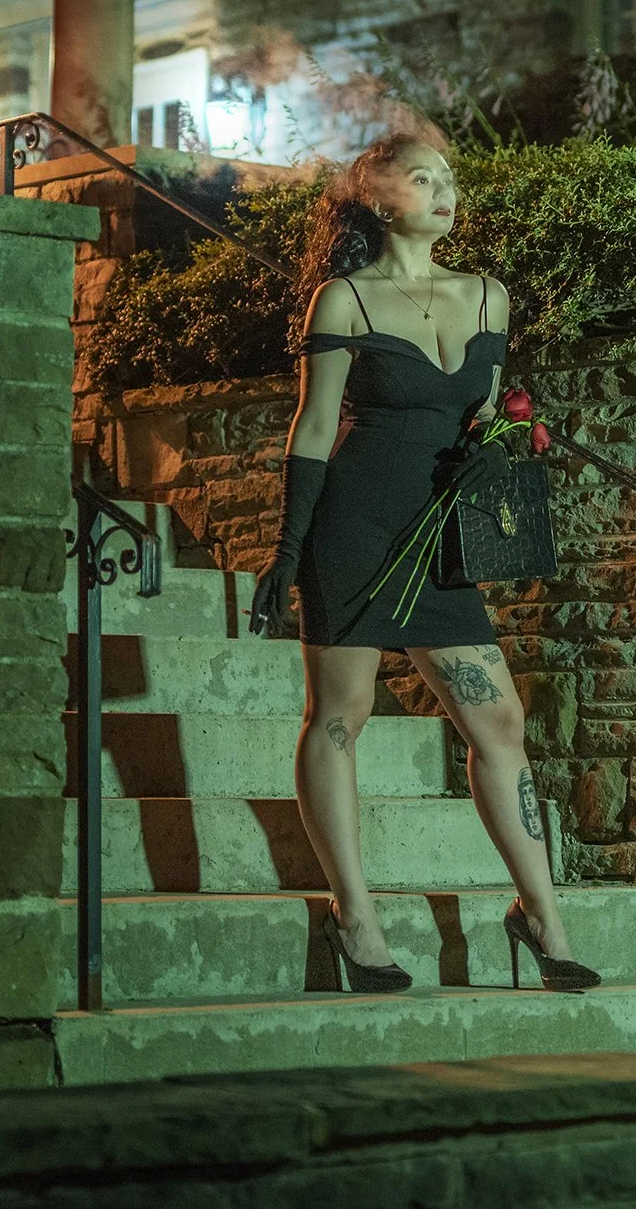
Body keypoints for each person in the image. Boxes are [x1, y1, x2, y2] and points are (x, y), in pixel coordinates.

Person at [249, 129, 600, 995]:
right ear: (379, 198)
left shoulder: (489, 296)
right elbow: (318, 427)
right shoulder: (345, 301)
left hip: (440, 540)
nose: (444, 191)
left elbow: (489, 411)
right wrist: (289, 549)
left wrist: (499, 445)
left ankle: (540, 916)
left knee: (501, 723)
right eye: (422, 177)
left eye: (449, 178)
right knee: (341, 715)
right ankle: (355, 917)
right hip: (355, 530)